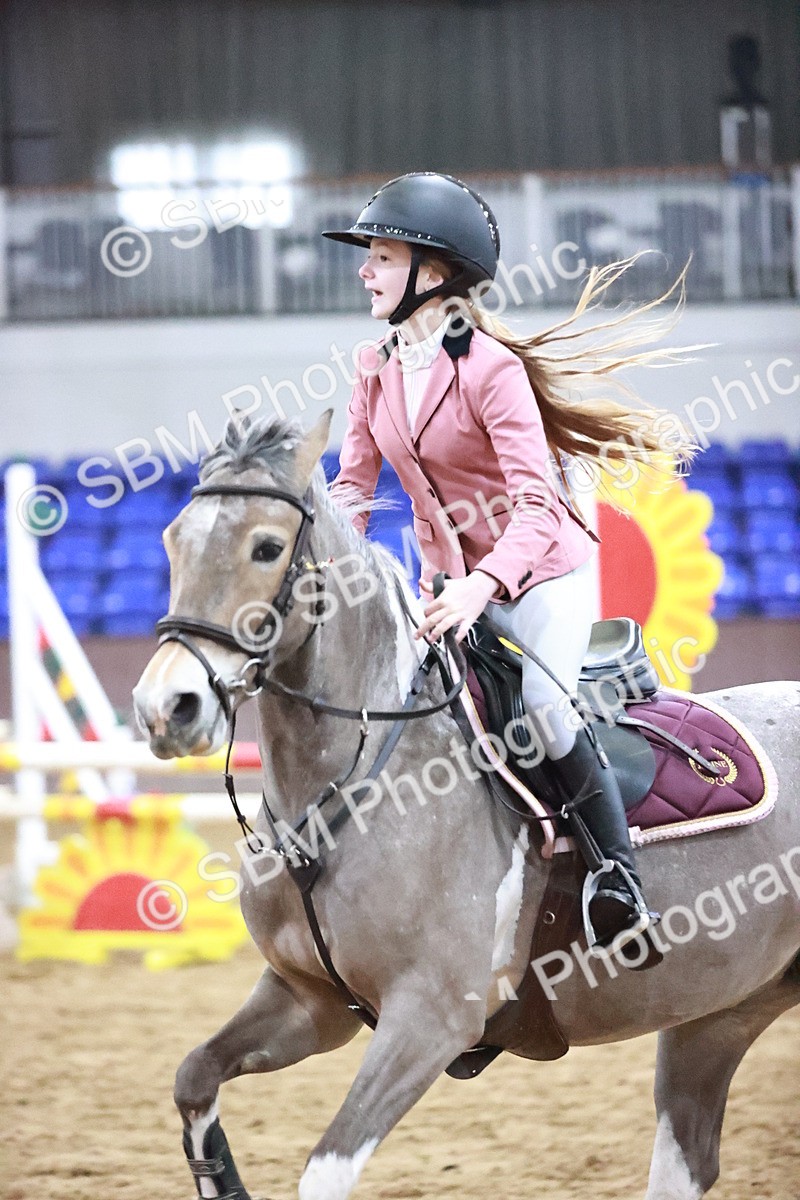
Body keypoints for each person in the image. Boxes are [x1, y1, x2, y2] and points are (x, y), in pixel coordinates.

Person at [323, 171, 695, 959]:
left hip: (536, 577)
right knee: (407, 719)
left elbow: (535, 503)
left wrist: (481, 587)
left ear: (432, 273)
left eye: (380, 257)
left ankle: (617, 882)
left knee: (545, 711)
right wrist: (323, 561)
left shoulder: (493, 370)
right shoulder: (372, 366)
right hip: (443, 586)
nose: (364, 271)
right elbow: (352, 489)